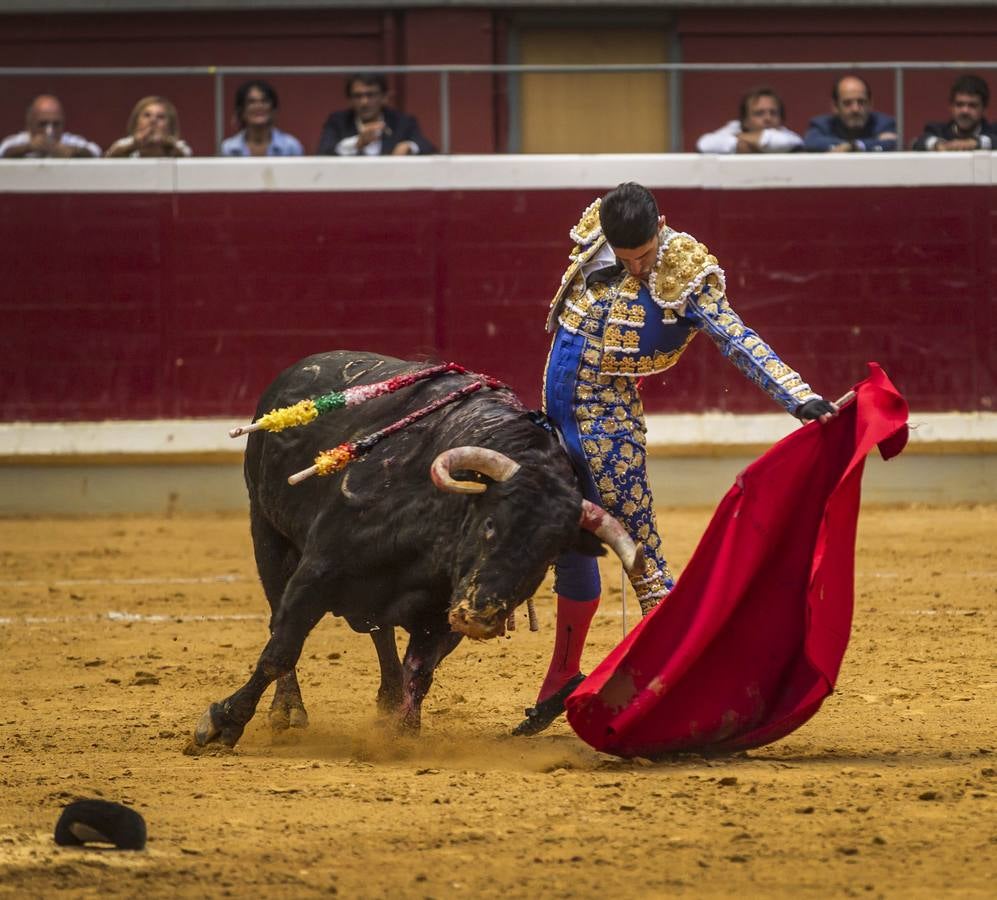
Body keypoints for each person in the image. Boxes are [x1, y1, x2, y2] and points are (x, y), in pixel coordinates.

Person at [513, 182, 840, 736]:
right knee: (568, 545)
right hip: (553, 421)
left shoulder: (684, 269)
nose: (637, 268)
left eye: (643, 256)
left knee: (643, 561)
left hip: (608, 429)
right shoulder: (599, 233)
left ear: (660, 226)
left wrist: (799, 397)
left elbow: (737, 338)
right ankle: (562, 676)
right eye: (626, 257)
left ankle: (681, 687)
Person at [316, 73, 436, 156]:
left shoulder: (402, 122)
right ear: (350, 100)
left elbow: (427, 147)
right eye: (358, 96)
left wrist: (409, 146)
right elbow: (324, 152)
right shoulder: (338, 122)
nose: (364, 102)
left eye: (371, 95)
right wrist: (356, 143)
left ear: (384, 97)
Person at [804, 75, 897, 152]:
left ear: (870, 104)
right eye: (847, 103)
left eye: (861, 102)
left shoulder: (884, 124)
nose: (855, 109)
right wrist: (856, 146)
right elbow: (812, 142)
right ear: (835, 106)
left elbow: (894, 143)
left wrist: (854, 146)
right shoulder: (822, 125)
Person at [696, 87, 802, 154]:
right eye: (759, 113)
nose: (768, 118)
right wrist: (757, 145)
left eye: (773, 113)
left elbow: (781, 143)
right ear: (745, 120)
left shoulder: (790, 136)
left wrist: (740, 137)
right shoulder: (735, 127)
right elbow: (704, 144)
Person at [912, 74, 995, 151]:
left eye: (972, 105)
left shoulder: (993, 131)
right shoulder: (938, 131)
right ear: (951, 107)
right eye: (959, 104)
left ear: (984, 108)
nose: (965, 111)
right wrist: (938, 145)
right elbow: (919, 141)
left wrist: (976, 142)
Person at [0, 94, 100, 159]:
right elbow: (3, 151)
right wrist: (28, 147)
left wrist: (73, 151)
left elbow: (96, 152)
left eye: (56, 124)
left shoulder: (68, 141)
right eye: (43, 124)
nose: (49, 130)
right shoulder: (19, 141)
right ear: (30, 124)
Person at [220, 79, 303, 157]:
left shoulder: (290, 147)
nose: (259, 107)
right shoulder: (228, 149)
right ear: (241, 111)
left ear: (273, 109)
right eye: (251, 102)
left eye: (264, 101)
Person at [104, 96, 192, 158]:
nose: (153, 120)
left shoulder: (179, 146)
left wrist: (165, 144)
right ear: (136, 120)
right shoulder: (122, 144)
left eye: (160, 117)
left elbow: (184, 156)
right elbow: (108, 160)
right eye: (147, 115)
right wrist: (135, 144)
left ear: (170, 124)